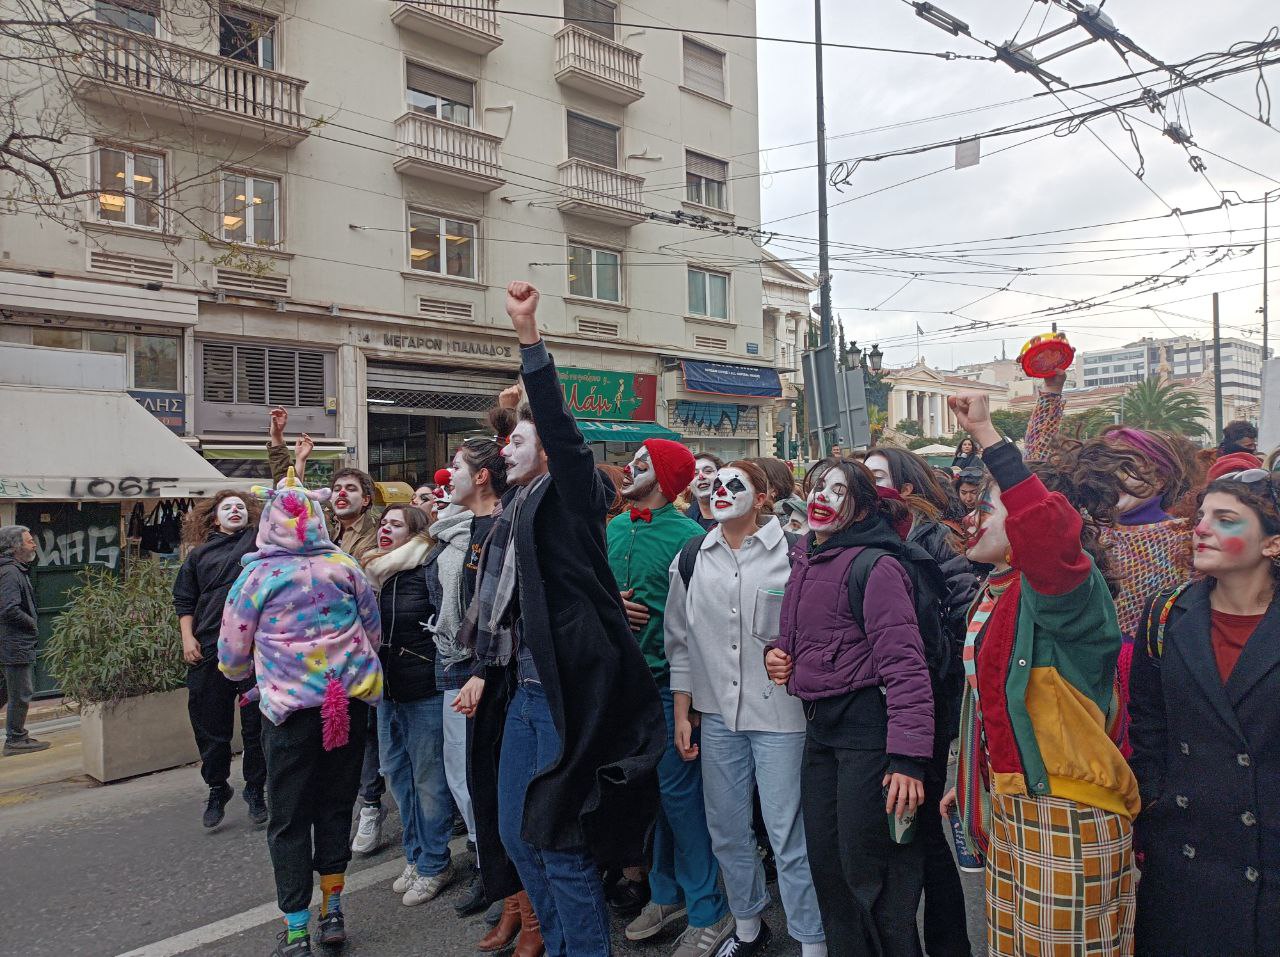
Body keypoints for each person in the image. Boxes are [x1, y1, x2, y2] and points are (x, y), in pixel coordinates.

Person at [457, 282, 665, 957]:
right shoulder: (512, 510)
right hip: (524, 693)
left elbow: (564, 435)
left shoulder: (571, 494)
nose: (503, 451)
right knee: (520, 835)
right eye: (503, 442)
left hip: (567, 696)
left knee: (562, 841)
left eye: (518, 441)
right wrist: (487, 673)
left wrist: (529, 335)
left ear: (548, 449)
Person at [943, 391, 1139, 957]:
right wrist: (969, 789)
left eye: (990, 506)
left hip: (1068, 814)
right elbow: (992, 706)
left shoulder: (1062, 594)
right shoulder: (998, 587)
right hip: (1012, 807)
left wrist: (986, 434)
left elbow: (1048, 533)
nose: (970, 517)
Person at [764, 458, 934, 957]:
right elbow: (800, 639)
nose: (823, 496)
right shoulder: (806, 556)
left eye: (838, 491)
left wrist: (907, 759)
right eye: (817, 486)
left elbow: (906, 666)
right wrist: (776, 655)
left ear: (860, 508)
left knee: (870, 876)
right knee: (829, 869)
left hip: (867, 735)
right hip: (820, 734)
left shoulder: (876, 566)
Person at [218, 470, 384, 957]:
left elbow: (231, 654)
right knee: (335, 807)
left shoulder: (257, 577)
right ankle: (333, 912)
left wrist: (245, 678)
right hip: (348, 706)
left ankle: (295, 930)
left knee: (288, 819)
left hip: (288, 715)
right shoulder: (346, 566)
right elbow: (372, 631)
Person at [665, 461, 826, 957]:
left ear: (762, 498)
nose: (720, 491)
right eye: (715, 484)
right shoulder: (692, 557)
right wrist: (682, 710)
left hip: (781, 717)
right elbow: (680, 640)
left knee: (787, 836)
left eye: (735, 484)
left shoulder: (799, 553)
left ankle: (812, 940)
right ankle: (749, 927)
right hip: (717, 718)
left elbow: (819, 632)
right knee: (727, 831)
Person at [1128, 469, 1280, 956]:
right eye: (1200, 516)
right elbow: (1148, 724)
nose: (1200, 527)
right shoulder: (1166, 614)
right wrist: (1156, 798)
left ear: (1273, 544)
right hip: (1187, 860)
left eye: (1225, 519)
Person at [1023, 371, 1197, 751]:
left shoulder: (1188, 537)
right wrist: (1051, 394)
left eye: (1133, 468)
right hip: (1079, 673)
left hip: (1154, 682)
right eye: (1109, 469)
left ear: (1163, 476)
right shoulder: (1084, 527)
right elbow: (1035, 471)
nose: (1118, 479)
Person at [608, 437, 733, 957]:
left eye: (641, 464)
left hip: (668, 690)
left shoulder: (690, 538)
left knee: (680, 801)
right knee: (649, 800)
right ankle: (664, 891)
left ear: (661, 476)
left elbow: (703, 623)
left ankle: (710, 911)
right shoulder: (613, 527)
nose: (629, 470)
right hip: (618, 688)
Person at [860, 446, 974, 957]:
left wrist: (926, 658)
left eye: (877, 476)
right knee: (890, 832)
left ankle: (948, 944)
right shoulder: (846, 536)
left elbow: (962, 605)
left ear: (905, 488)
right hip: (868, 711)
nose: (865, 484)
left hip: (925, 703)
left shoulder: (934, 537)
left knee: (920, 830)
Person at [360, 504, 457, 907]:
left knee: (429, 783)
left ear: (416, 531)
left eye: (395, 524)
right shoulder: (374, 572)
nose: (385, 529)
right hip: (386, 690)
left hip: (424, 689)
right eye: (383, 523)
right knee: (397, 776)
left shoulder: (428, 569)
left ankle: (436, 862)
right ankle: (417, 855)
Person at [429, 436, 509, 921]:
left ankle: (506, 884)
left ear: (482, 475)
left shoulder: (504, 525)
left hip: (486, 667)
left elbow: (499, 608)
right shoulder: (456, 529)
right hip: (454, 659)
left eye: (457, 466)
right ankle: (489, 869)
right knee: (462, 775)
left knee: (487, 775)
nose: (448, 475)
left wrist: (481, 667)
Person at [173, 489, 267, 828]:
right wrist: (188, 638)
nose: (235, 511)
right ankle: (217, 786)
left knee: (258, 724)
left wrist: (295, 464)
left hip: (254, 648)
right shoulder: (198, 556)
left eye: (241, 506)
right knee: (210, 724)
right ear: (215, 517)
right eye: (227, 507)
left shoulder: (259, 542)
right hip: (210, 646)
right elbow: (184, 600)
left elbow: (287, 501)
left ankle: (256, 788)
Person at [0, 525, 47, 756]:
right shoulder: (10, 572)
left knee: (5, 692)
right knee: (21, 692)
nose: (34, 544)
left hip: (9, 643)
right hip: (14, 643)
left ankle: (16, 736)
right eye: (29, 541)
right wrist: (32, 623)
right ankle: (16, 739)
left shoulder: (12, 570)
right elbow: (9, 609)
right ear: (16, 546)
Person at [686, 454, 723, 530]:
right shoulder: (685, 524)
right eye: (694, 473)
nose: (701, 476)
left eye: (708, 471)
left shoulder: (737, 518)